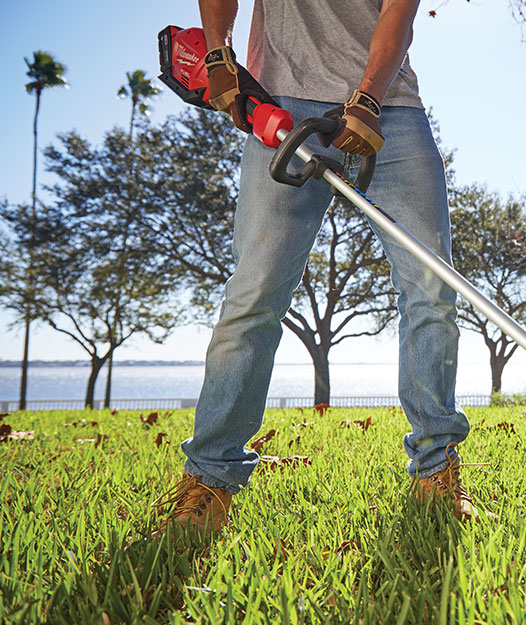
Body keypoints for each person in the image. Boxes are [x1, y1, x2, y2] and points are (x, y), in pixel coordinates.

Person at [154, 0, 485, 536]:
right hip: (280, 99)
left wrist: (368, 97)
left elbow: (399, 8)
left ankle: (435, 471)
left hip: (389, 108)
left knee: (433, 287)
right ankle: (210, 481)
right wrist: (219, 54)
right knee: (255, 296)